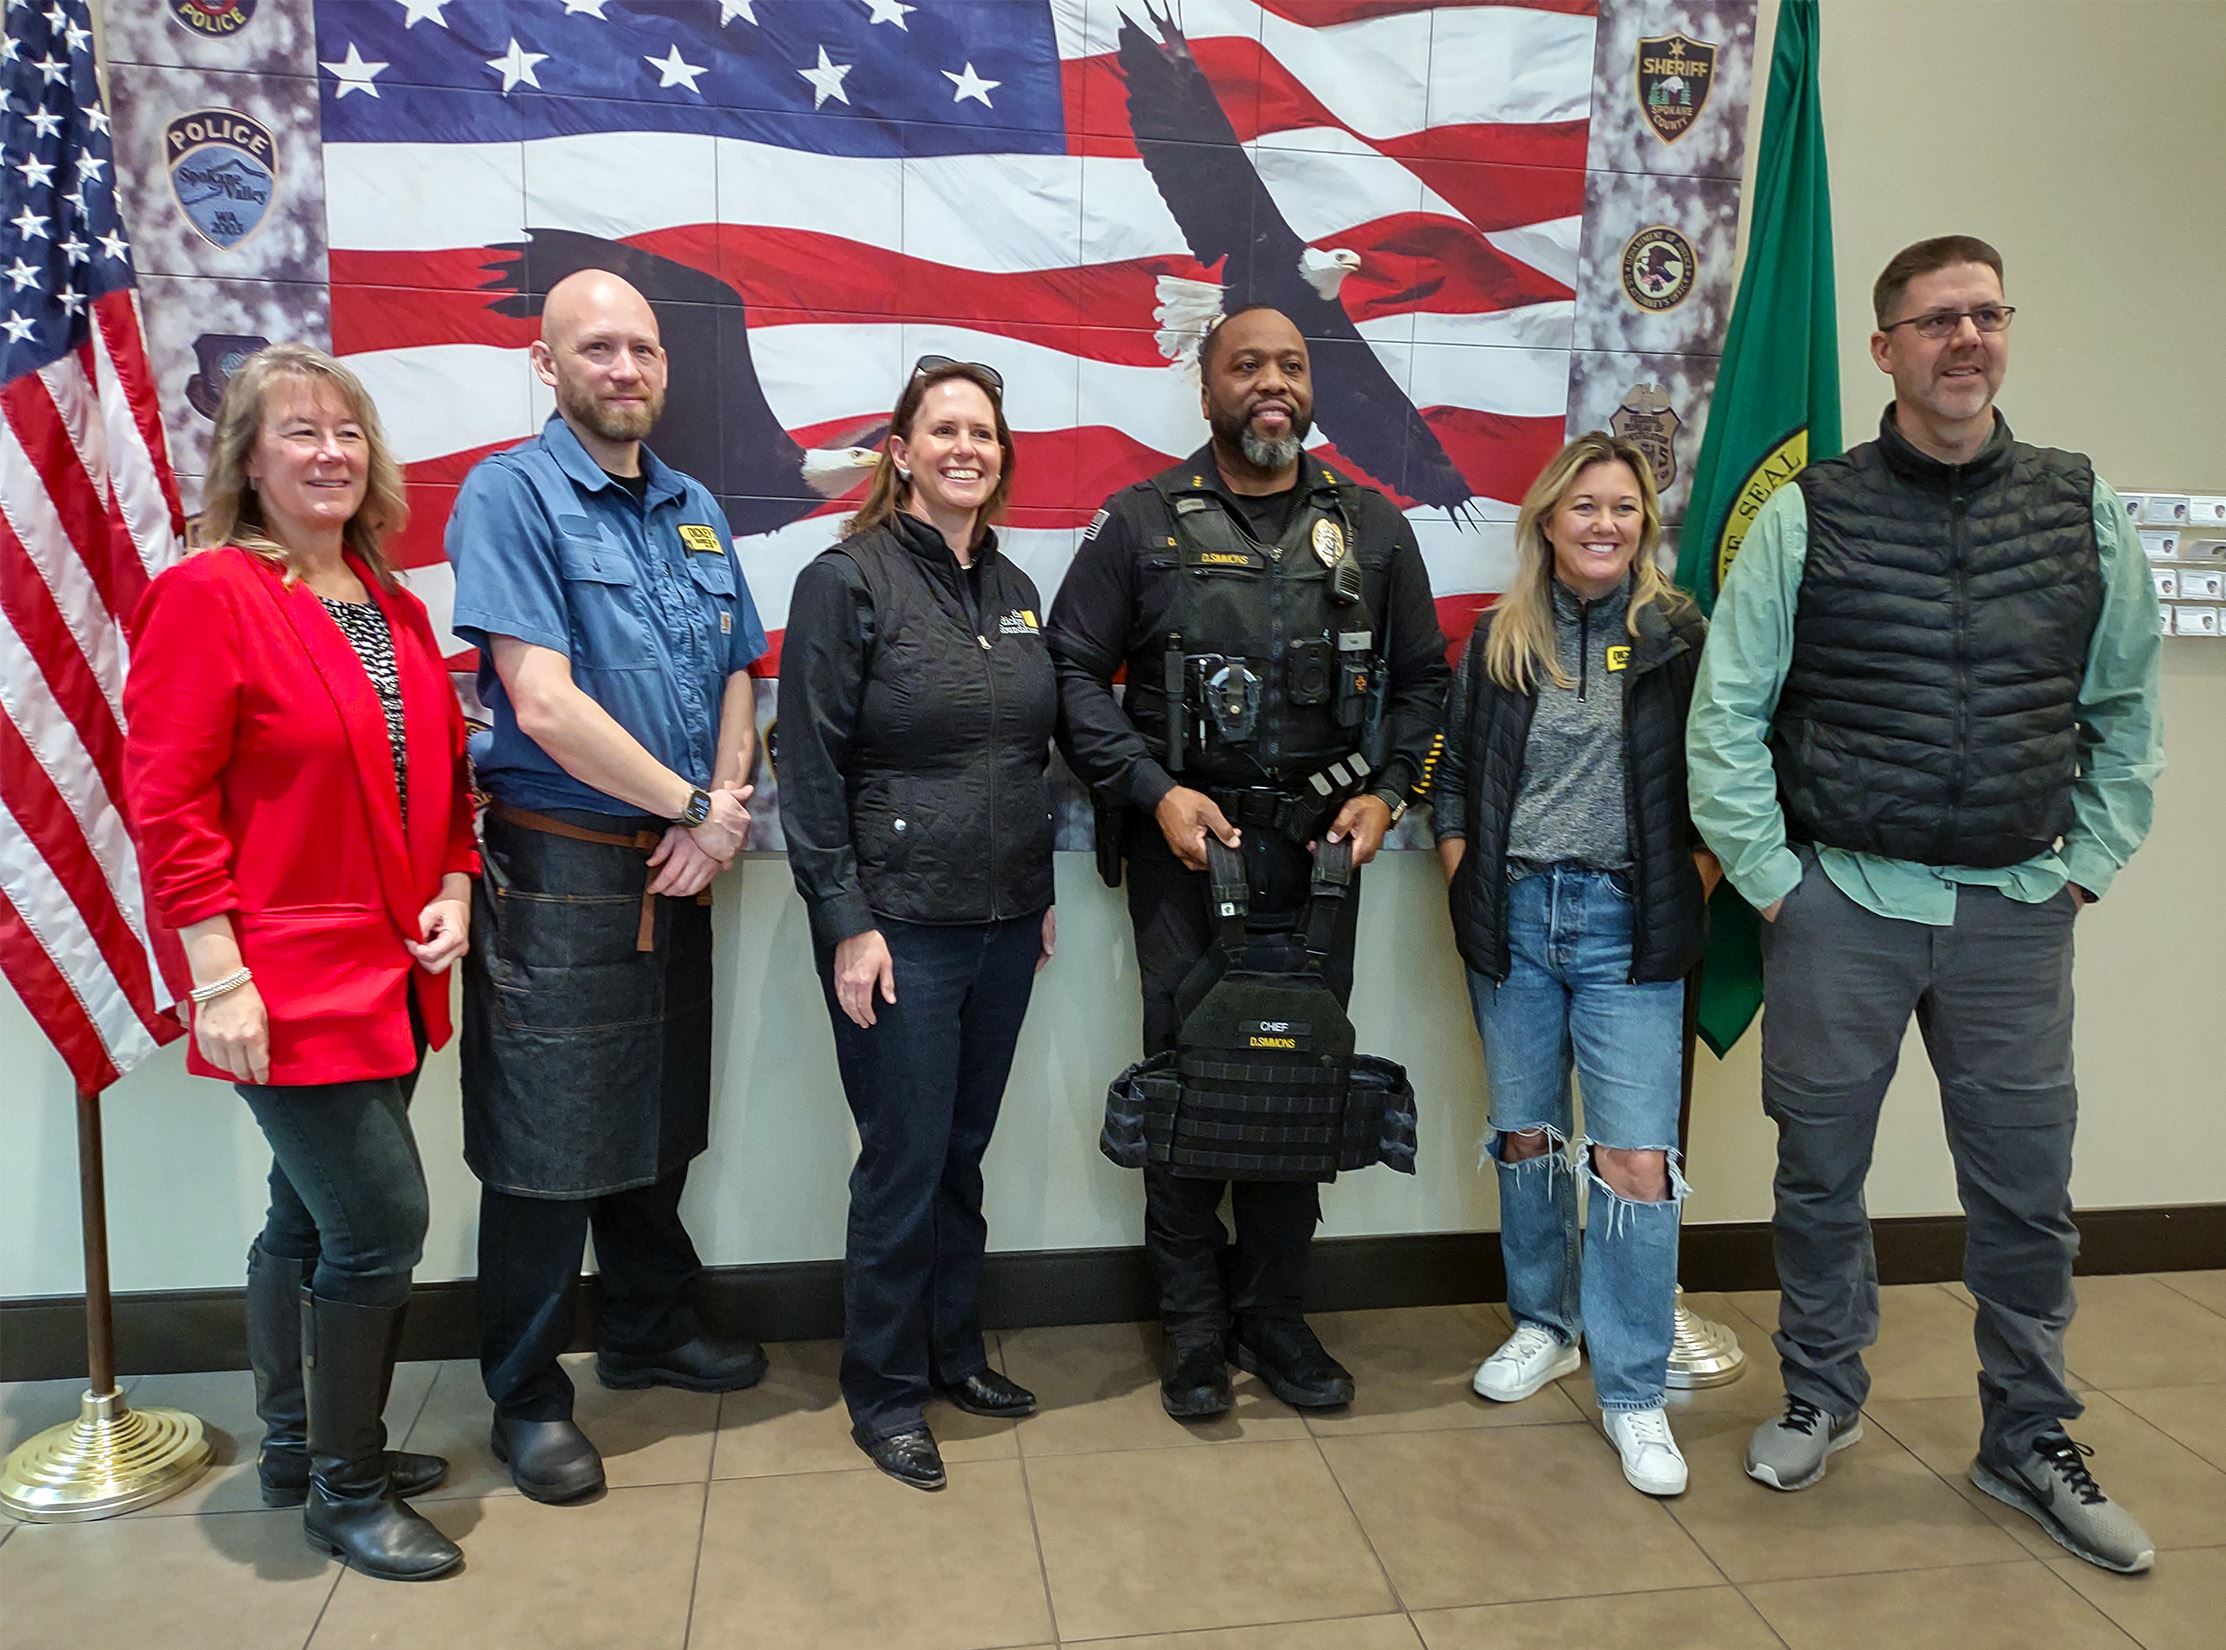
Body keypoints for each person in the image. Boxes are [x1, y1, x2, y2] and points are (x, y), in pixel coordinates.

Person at [1688, 235, 2164, 1572]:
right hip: (1842, 898)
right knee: (1819, 1172)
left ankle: (2026, 1435)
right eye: (1935, 319)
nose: (1966, 339)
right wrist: (1777, 880)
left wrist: (2087, 858)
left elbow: (2124, 706)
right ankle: (1821, 1396)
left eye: (1986, 314)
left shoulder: (2077, 505)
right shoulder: (1810, 512)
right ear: (1883, 346)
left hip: (2016, 906)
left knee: (2024, 1190)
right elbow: (1725, 712)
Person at [1048, 305, 1449, 1417]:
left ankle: (1273, 1319)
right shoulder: (1139, 525)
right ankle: (1191, 1330)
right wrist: (1151, 791)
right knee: (1189, 1088)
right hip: (1191, 856)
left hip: (1322, 859)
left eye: (1292, 366)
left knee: (1298, 1081)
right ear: (1207, 386)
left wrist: (1387, 796)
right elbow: (1071, 674)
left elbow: (1424, 684)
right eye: (1247, 366)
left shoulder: (1372, 528)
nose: (1272, 384)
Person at [124, 344, 475, 1582]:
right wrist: (216, 975)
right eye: (300, 432)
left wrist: (452, 883)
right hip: (282, 981)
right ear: (248, 460)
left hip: (393, 968)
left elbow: (438, 773)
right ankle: (345, 1485)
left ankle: (291, 1445)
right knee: (381, 1223)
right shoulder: (209, 593)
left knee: (304, 1216)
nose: (330, 452)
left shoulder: (391, 600)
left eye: (348, 432)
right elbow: (166, 805)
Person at [446, 270, 771, 1505]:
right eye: (598, 348)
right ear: (550, 365)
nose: (625, 368)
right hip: (563, 869)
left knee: (655, 1121)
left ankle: (646, 1328)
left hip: (682, 863)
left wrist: (723, 813)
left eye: (641, 348)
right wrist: (688, 806)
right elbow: (541, 700)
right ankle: (527, 1400)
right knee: (544, 1148)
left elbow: (743, 666)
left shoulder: (692, 506)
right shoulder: (510, 494)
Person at [776, 357, 1056, 1489]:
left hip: (1002, 926)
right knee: (901, 1162)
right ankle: (884, 1392)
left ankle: (951, 1353)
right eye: (942, 429)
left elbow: (1028, 753)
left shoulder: (1017, 587)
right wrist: (845, 920)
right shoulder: (846, 581)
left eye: (982, 432)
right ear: (899, 450)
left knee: (962, 1154)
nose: (964, 448)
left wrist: (1032, 894)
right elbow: (810, 765)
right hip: (896, 931)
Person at [1435, 432, 1710, 1496]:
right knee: (1526, 1136)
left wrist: (1688, 884)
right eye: (1584, 506)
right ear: (1546, 520)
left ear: (1645, 525)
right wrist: (1469, 878)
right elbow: (1454, 776)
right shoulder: (1500, 640)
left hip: (1628, 924)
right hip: (1515, 916)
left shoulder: (1677, 637)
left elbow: (1721, 771)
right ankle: (1543, 1323)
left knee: (1634, 1161)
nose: (1605, 524)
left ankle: (1633, 1389)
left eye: (1625, 508)